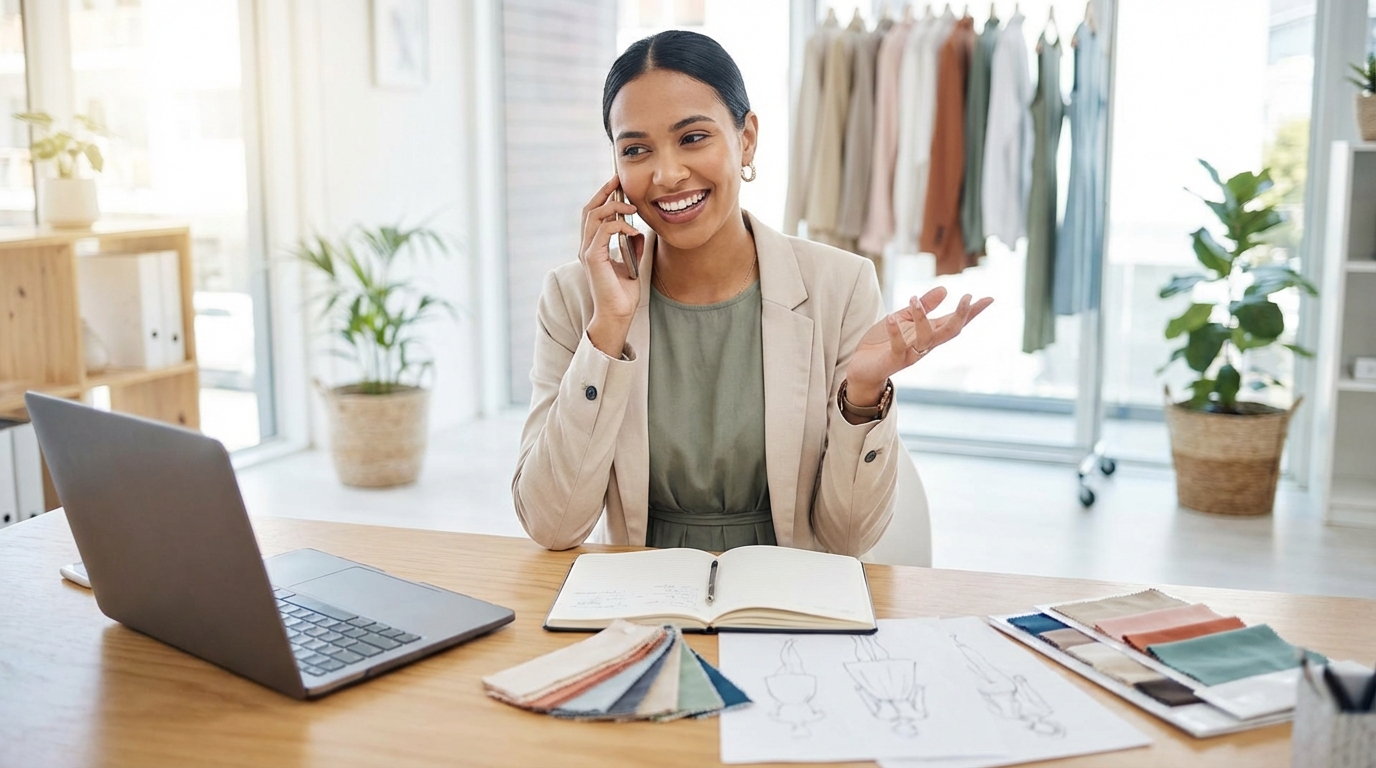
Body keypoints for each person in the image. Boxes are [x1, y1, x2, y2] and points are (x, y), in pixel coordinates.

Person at [513, 30, 991, 556]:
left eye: (693, 138)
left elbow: (846, 539)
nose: (667, 174)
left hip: (785, 601)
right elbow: (552, 526)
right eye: (636, 149)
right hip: (641, 602)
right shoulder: (573, 297)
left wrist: (861, 398)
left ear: (746, 139)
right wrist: (606, 331)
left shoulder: (842, 286)